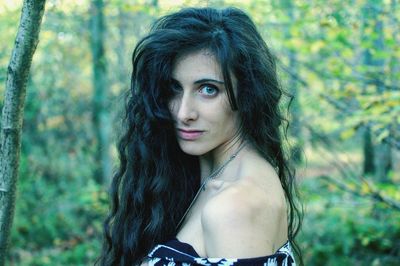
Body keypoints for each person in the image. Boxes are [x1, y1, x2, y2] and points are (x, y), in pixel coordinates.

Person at [98, 6, 302, 266]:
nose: (183, 113)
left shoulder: (235, 206)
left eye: (208, 89)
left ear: (248, 94)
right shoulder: (209, 175)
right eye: (174, 88)